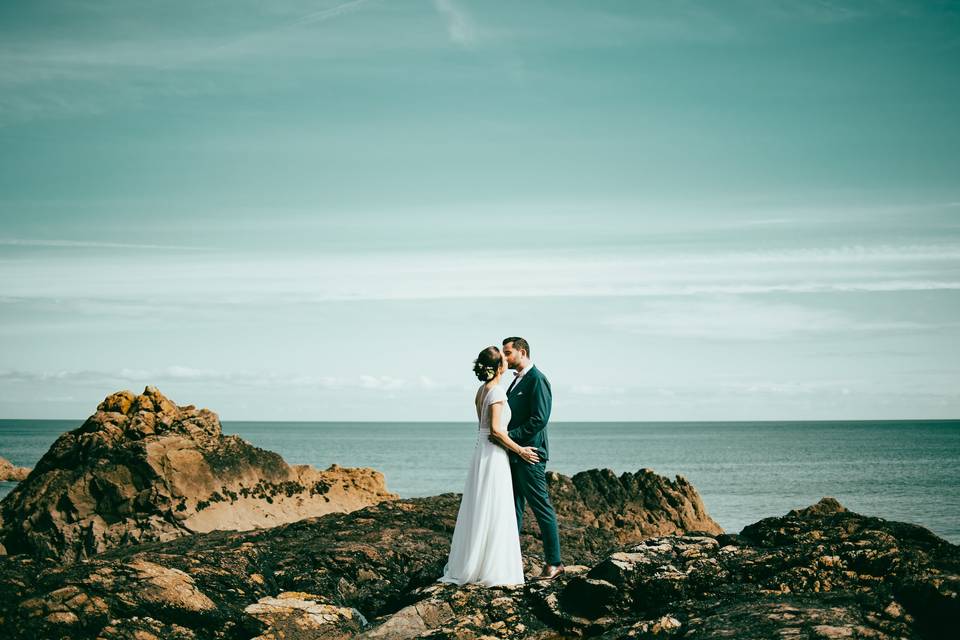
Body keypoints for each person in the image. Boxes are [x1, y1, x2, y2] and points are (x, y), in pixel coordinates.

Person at [438, 346, 541, 587]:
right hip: (493, 454)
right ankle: (490, 567)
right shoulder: (498, 393)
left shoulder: (481, 391)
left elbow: (484, 429)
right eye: (503, 359)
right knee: (493, 508)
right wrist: (521, 450)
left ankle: (475, 561)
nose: (507, 362)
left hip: (481, 452)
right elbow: (495, 431)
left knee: (480, 506)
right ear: (499, 367)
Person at [494, 336, 564, 581]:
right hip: (514, 452)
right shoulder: (514, 383)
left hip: (530, 454)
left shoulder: (537, 380)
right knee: (513, 509)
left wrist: (509, 436)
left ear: (522, 352)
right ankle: (508, 560)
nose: (504, 357)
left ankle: (554, 563)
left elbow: (540, 418)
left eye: (508, 353)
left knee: (542, 508)